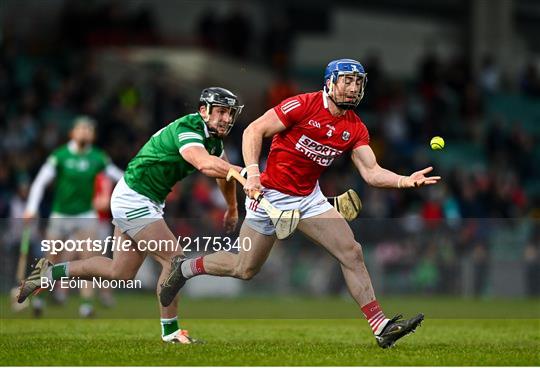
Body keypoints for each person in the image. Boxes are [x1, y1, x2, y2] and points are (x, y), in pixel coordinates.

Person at [160, 59, 441, 349]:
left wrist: (403, 181)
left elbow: (371, 171)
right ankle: (186, 268)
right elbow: (253, 131)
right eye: (347, 80)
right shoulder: (303, 105)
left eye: (358, 82)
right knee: (244, 269)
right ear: (330, 82)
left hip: (308, 199)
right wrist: (253, 174)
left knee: (351, 251)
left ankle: (381, 326)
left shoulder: (355, 128)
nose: (353, 87)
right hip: (267, 195)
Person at [18, 87, 244, 344]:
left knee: (119, 272)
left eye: (230, 113)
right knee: (175, 261)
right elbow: (204, 164)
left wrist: (232, 207)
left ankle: (48, 273)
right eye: (221, 112)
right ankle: (170, 333)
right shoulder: (190, 128)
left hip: (141, 198)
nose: (227, 118)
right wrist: (242, 171)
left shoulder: (214, 140)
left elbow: (222, 174)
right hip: (135, 198)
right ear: (204, 111)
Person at [23, 116, 124, 317]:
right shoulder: (59, 156)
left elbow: (120, 177)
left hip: (86, 216)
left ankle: (86, 305)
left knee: (89, 260)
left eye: (89, 129)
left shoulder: (98, 157)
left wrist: (139, 182)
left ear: (93, 135)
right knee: (50, 259)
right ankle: (39, 300)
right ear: (72, 133)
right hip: (60, 215)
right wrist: (31, 208)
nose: (85, 132)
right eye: (81, 128)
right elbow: (40, 183)